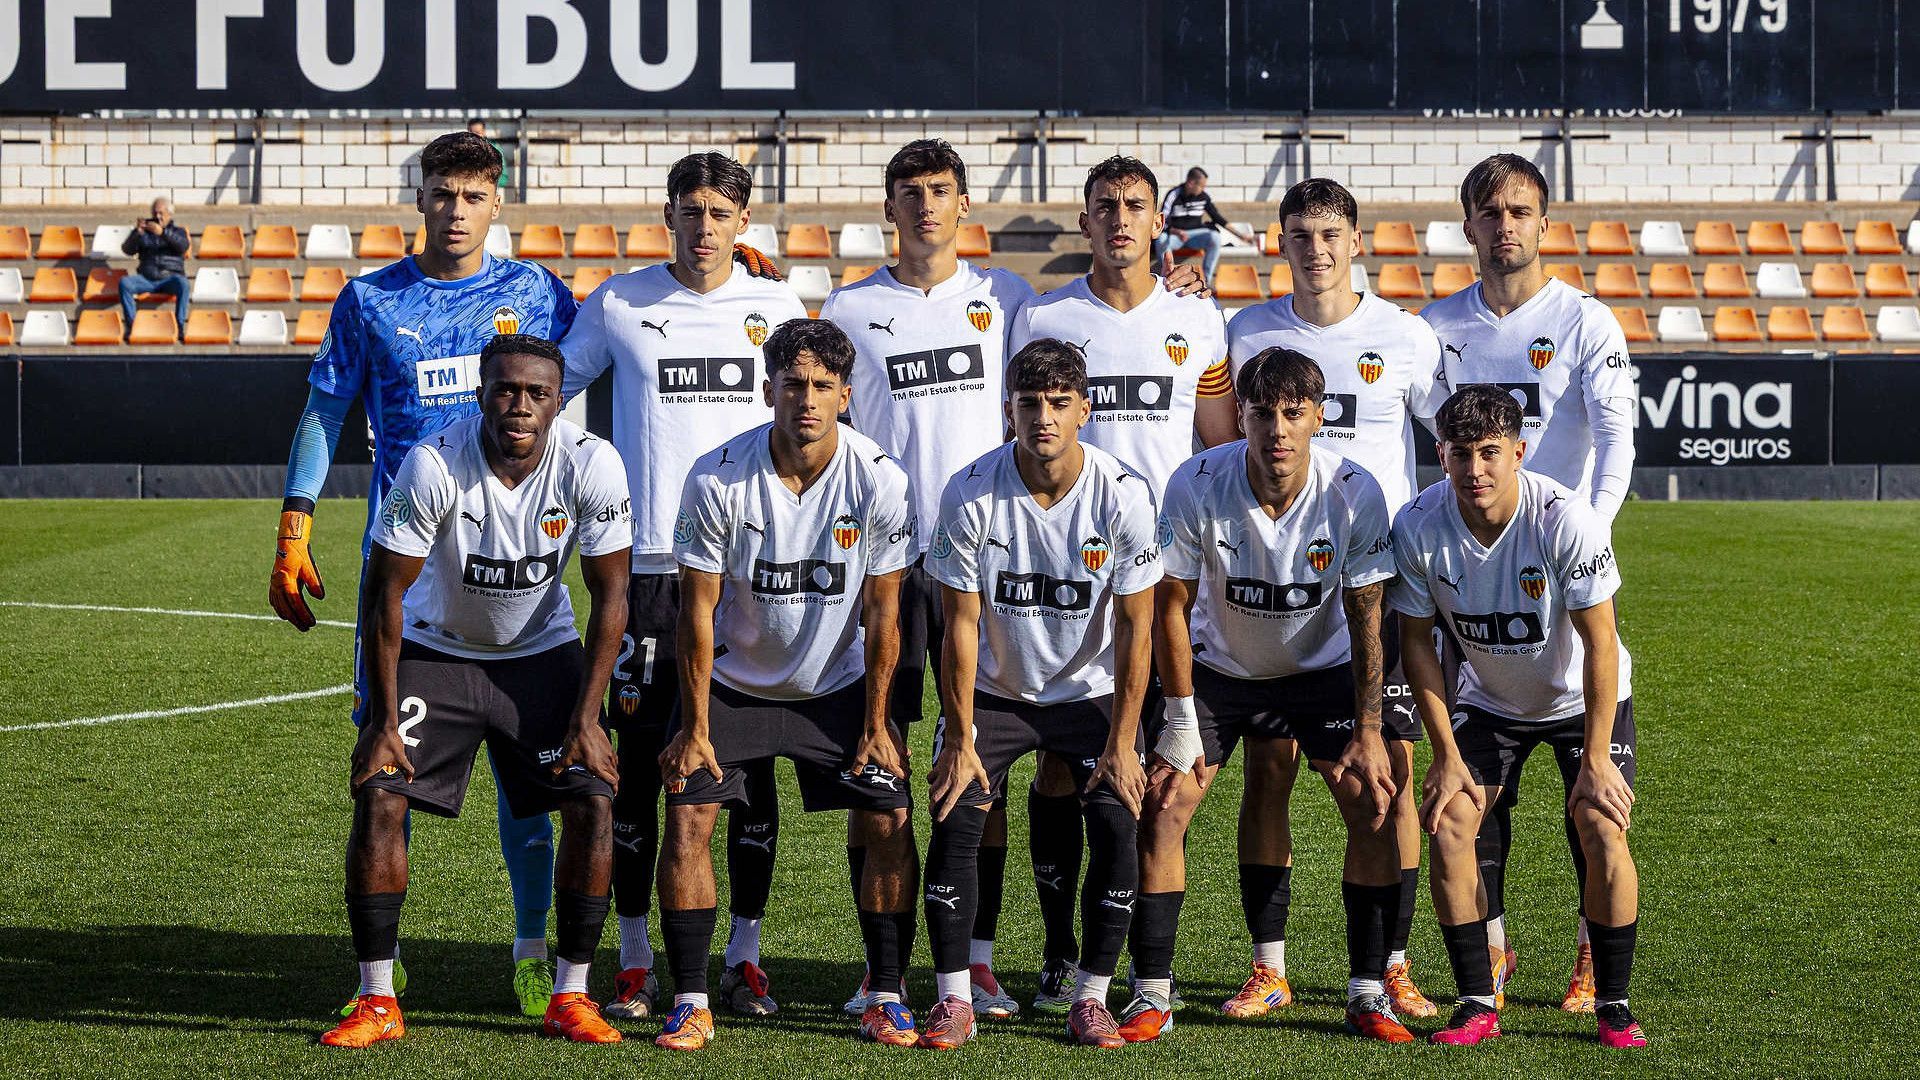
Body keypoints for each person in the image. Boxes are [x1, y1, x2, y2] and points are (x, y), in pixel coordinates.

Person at [271, 130, 579, 1018]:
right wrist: (296, 522)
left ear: (497, 204)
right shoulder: (369, 300)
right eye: (443, 194)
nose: (456, 211)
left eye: (474, 196)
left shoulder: (537, 294)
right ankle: (382, 966)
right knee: (384, 773)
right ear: (421, 199)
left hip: (513, 575)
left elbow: (623, 343)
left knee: (531, 795)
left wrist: (744, 281)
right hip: (404, 583)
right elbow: (325, 411)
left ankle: (531, 955)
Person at [320, 333, 632, 1048]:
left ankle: (570, 994)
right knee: (380, 789)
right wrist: (379, 715)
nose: (518, 406)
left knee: (592, 797)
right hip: (438, 649)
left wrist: (588, 718)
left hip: (541, 653)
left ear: (559, 402)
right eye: (504, 389)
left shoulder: (592, 462)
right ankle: (375, 998)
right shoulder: (433, 462)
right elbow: (385, 595)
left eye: (536, 394)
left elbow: (612, 595)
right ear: (482, 391)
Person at [560, 151, 808, 1022]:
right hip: (648, 571)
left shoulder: (777, 306)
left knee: (745, 766)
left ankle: (741, 956)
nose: (703, 226)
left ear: (745, 223)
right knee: (631, 770)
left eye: (719, 211)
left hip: (749, 574)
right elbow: (553, 393)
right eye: (688, 210)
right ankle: (632, 958)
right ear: (667, 217)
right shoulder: (621, 303)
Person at [1006, 155, 1234, 1013]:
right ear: (1085, 220)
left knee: (1146, 773)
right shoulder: (1045, 315)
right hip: (1065, 568)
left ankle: (1137, 966)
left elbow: (1215, 445)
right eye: (1105, 206)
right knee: (1064, 771)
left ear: (1157, 218)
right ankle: (1062, 951)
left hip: (1168, 577)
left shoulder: (1198, 319)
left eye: (1136, 205)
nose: (1122, 219)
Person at [652, 319, 920, 1051]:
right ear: (767, 388)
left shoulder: (880, 479)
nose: (807, 400)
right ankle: (692, 998)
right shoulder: (715, 475)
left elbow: (885, 612)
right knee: (688, 815)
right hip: (734, 686)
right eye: (793, 384)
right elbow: (696, 613)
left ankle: (887, 993)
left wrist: (876, 723)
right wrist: (697, 723)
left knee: (890, 818)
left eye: (822, 387)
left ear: (846, 395)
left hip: (838, 686)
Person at [1126, 347, 1407, 1043]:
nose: (1277, 429)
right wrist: (1182, 719)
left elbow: (1369, 612)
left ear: (1318, 417)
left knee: (1374, 802)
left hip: (1322, 672)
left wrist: (1369, 729)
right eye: (1261, 412)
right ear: (1241, 415)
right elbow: (1171, 604)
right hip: (1222, 671)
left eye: (1292, 413)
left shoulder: (1354, 488)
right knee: (1163, 803)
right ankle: (1152, 992)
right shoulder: (1195, 481)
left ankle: (1369, 991)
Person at [1222, 177, 1447, 1019]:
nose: (1316, 248)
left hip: (1377, 594)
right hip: (1273, 591)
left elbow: (1453, 437)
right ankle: (1268, 966)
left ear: (1358, 241)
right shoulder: (1245, 332)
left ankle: (1391, 960)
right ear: (1279, 243)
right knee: (1268, 774)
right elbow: (1220, 450)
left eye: (1331, 233)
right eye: (1299, 234)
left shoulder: (1406, 336)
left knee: (1388, 779)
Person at [1420, 153, 1636, 1011]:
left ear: (1545, 223)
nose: (1505, 225)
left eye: (1520, 211)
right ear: (1467, 225)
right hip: (1467, 575)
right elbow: (1415, 447)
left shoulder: (1586, 322)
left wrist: (1587, 542)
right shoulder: (1435, 326)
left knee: (1594, 799)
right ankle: (1496, 954)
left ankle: (1591, 958)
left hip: (1565, 568)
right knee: (1479, 785)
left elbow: (1616, 439)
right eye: (1489, 212)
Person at [918, 338, 1161, 1050]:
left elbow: (1137, 626)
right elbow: (958, 628)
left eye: (1059, 404)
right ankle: (954, 997)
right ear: (1008, 411)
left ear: (1085, 410)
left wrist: (1123, 743)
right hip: (997, 691)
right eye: (1030, 404)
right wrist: (959, 739)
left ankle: (1090, 996)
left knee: (1120, 815)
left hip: (1089, 692)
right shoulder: (969, 490)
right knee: (956, 807)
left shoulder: (1123, 493)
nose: (1044, 419)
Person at [1391, 384, 1645, 1049]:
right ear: (1440, 454)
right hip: (1489, 700)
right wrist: (1444, 755)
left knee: (1601, 823)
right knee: (1449, 822)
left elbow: (1601, 641)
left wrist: (1594, 760)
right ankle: (1477, 1000)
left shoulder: (1565, 519)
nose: (1474, 470)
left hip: (1581, 699)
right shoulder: (1418, 524)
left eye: (1489, 453)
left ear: (1518, 453)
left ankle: (1613, 1005)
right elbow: (1418, 644)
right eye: (1459, 454)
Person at [1152, 167, 1258, 285]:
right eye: (1201, 186)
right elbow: (1163, 220)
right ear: (1191, 183)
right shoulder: (1174, 194)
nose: (1203, 189)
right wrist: (1177, 232)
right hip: (1175, 236)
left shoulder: (1203, 197)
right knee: (1161, 239)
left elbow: (1217, 218)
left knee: (1215, 237)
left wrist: (1241, 236)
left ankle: (1205, 281)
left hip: (1195, 236)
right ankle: (1168, 277)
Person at [119, 197, 190, 336]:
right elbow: (127, 250)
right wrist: (137, 233)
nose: (157, 216)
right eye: (155, 213)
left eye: (161, 213)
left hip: (170, 278)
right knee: (125, 283)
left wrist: (163, 233)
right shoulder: (145, 233)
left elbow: (183, 246)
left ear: (169, 214)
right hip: (147, 278)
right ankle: (132, 325)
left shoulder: (178, 231)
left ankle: (179, 325)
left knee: (183, 284)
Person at [469, 119, 513, 197]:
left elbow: (503, 177)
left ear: (484, 132)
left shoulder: (494, 149)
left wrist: (485, 183)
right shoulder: (462, 149)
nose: (475, 136)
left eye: (478, 133)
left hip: (487, 192)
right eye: (472, 133)